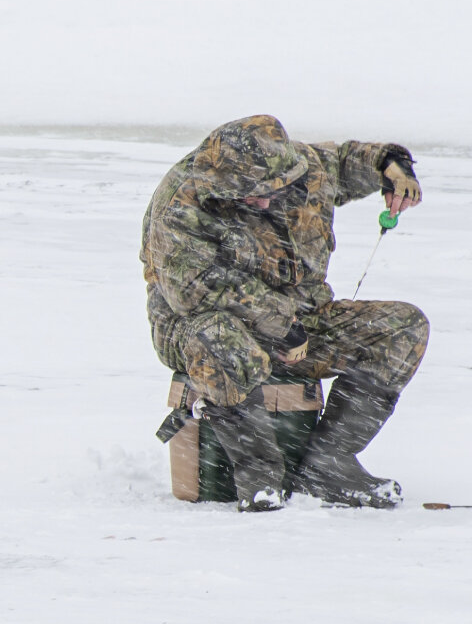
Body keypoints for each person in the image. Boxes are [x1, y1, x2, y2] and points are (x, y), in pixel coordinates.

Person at [140, 115, 429, 512]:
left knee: (404, 328)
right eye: (249, 195)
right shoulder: (180, 202)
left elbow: (344, 162)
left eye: (270, 191)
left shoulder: (303, 166)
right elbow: (196, 290)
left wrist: (389, 166)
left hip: (302, 324)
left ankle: (327, 465)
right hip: (198, 327)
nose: (261, 201)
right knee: (220, 336)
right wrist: (281, 326)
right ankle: (260, 479)